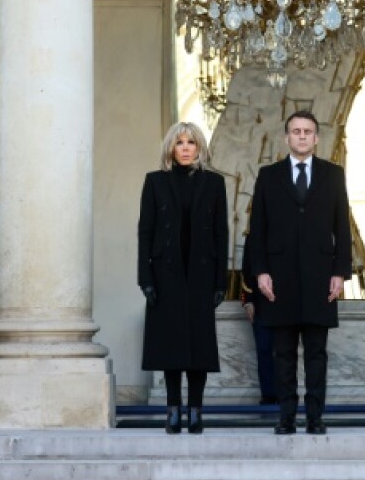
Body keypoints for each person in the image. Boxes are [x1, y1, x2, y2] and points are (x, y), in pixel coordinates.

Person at [247, 110, 353, 435]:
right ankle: (286, 417)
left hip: (321, 277)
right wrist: (260, 273)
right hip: (279, 280)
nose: (302, 136)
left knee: (317, 353)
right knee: (283, 353)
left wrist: (340, 272)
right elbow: (258, 229)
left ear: (317, 138)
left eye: (308, 131)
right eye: (296, 131)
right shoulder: (269, 175)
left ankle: (316, 417)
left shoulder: (334, 175)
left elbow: (342, 228)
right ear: (287, 138)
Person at [136, 121, 228, 435]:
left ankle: (196, 410)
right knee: (171, 344)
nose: (186, 148)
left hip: (201, 273)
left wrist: (220, 282)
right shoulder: (155, 182)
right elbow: (145, 232)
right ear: (171, 149)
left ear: (199, 147)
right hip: (166, 274)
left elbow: (221, 234)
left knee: (199, 346)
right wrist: (145, 278)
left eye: (191, 142)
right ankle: (173, 409)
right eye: (179, 143)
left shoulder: (215, 183)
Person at [239, 238, 277, 405]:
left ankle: (286, 394)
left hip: (288, 302)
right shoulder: (254, 235)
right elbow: (247, 269)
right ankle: (268, 394)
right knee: (264, 348)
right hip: (260, 303)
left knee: (284, 351)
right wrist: (248, 300)